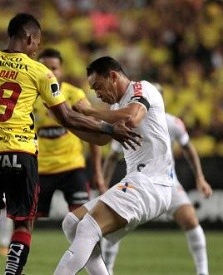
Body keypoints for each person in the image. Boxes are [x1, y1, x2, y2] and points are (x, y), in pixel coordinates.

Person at [0, 13, 140, 275]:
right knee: (22, 222)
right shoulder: (39, 71)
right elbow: (67, 117)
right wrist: (108, 129)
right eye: (37, 42)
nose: (37, 47)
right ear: (29, 38)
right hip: (20, 152)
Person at [54, 56, 175, 275]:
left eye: (98, 87)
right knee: (71, 223)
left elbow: (132, 118)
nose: (97, 94)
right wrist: (66, 121)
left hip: (151, 182)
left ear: (113, 76)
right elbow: (101, 139)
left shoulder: (141, 89)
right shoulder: (117, 106)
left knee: (88, 227)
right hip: (138, 182)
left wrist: (90, 111)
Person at [0, 48, 107, 256]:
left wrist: (98, 172)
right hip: (40, 169)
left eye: (54, 68)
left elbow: (91, 130)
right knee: (25, 221)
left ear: (61, 70)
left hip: (72, 168)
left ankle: (95, 266)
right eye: (45, 68)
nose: (50, 72)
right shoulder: (28, 97)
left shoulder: (74, 95)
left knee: (84, 223)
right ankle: (16, 265)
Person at [102, 109, 213, 275]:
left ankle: (202, 272)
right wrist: (103, 184)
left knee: (190, 219)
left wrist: (200, 177)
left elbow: (188, 147)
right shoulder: (127, 125)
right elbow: (112, 156)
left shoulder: (172, 123)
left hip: (168, 182)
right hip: (137, 184)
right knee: (114, 225)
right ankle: (107, 270)